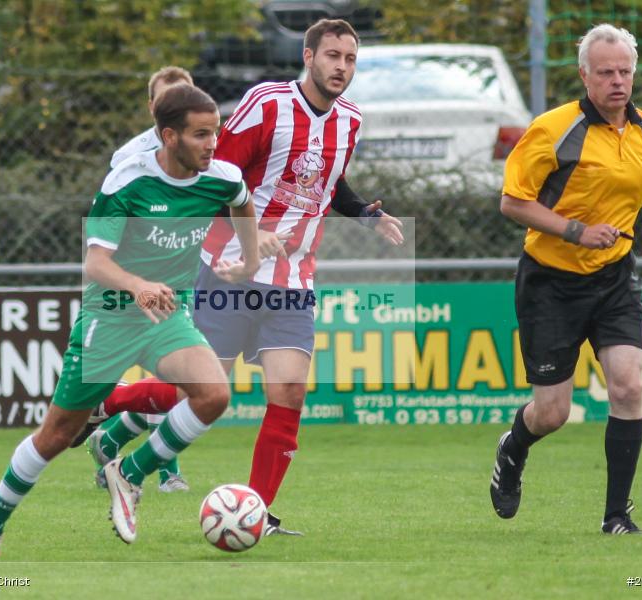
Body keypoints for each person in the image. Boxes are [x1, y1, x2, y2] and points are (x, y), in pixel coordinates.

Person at [85, 18, 404, 537]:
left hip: (293, 280)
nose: (341, 67)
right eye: (332, 56)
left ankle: (255, 512)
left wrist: (366, 213)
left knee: (290, 393)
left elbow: (328, 181)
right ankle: (111, 402)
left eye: (350, 58)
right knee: (195, 392)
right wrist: (253, 238)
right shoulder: (267, 104)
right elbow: (212, 176)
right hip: (231, 271)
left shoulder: (350, 120)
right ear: (308, 56)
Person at [0, 83, 260, 558]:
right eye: (201, 135)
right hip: (110, 316)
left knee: (214, 394)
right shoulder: (128, 180)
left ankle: (129, 472)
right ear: (169, 136)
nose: (212, 144)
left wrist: (249, 261)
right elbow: (96, 263)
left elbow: (242, 201)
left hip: (165, 316)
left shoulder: (221, 177)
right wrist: (137, 285)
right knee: (56, 435)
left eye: (215, 133)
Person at [489, 24, 642, 535]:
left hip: (615, 278)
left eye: (625, 72)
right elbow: (512, 202)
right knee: (552, 413)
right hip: (550, 282)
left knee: (629, 386)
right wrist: (576, 231)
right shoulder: (553, 129)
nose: (618, 81)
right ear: (584, 75)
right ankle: (513, 447)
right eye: (606, 72)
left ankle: (616, 517)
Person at [81, 65, 195, 494]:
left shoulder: (203, 151)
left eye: (185, 96)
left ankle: (111, 432)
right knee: (179, 380)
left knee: (180, 383)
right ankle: (165, 472)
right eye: (167, 99)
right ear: (152, 107)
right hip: (139, 280)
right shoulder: (129, 158)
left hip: (183, 275)